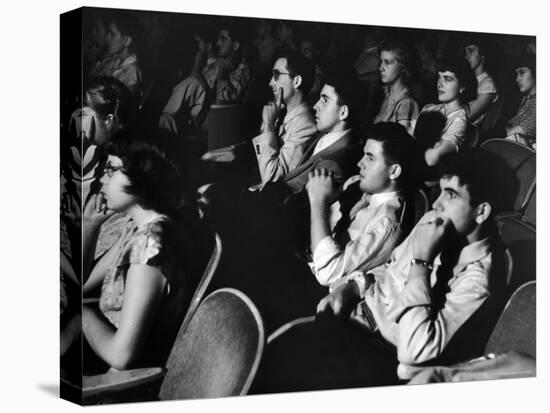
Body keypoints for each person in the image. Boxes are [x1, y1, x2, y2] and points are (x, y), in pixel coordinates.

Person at [253, 149, 513, 393]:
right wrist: (355, 287)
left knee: (277, 373)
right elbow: (390, 269)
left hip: (378, 357)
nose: (438, 204)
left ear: (481, 212)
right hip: (351, 315)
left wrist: (421, 264)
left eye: (452, 195)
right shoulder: (433, 222)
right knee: (263, 342)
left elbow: (413, 353)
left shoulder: (478, 279)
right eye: (441, 191)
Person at [80, 130, 209, 372]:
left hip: (119, 379)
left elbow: (122, 356)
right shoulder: (145, 228)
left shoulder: (150, 244)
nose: (102, 180)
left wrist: (80, 316)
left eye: (111, 170)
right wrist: (90, 226)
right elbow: (82, 283)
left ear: (142, 177)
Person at [307, 123, 415, 288]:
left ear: (393, 171)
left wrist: (318, 203)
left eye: (370, 158)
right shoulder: (359, 187)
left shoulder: (386, 224)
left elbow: (328, 273)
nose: (360, 163)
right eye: (364, 155)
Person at [159, 23, 251, 135]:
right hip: (196, 110)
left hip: (215, 118)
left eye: (223, 39)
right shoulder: (219, 63)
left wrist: (221, 74)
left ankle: (166, 118)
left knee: (194, 83)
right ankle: (166, 118)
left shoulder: (241, 69)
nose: (218, 43)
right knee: (167, 117)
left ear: (236, 45)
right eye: (218, 39)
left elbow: (224, 100)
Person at [412, 56, 477, 167]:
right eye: (439, 77)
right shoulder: (430, 109)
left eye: (447, 79)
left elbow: (434, 156)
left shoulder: (459, 120)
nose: (439, 84)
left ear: (462, 86)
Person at [89, 12, 144, 98]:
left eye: (112, 34)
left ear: (127, 40)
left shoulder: (132, 73)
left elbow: (126, 107)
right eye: (108, 33)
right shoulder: (110, 60)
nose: (107, 38)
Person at [373, 40, 419, 134]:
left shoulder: (406, 103)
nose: (381, 68)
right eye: (381, 62)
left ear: (402, 66)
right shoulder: (383, 93)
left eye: (387, 62)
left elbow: (399, 144)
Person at [463, 38, 500, 126]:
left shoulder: (488, 85)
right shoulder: (467, 78)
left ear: (482, 54)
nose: (466, 56)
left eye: (471, 51)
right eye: (466, 52)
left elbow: (465, 117)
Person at [505, 54, 536, 149]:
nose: (517, 79)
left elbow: (515, 132)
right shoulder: (525, 99)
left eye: (522, 72)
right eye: (517, 74)